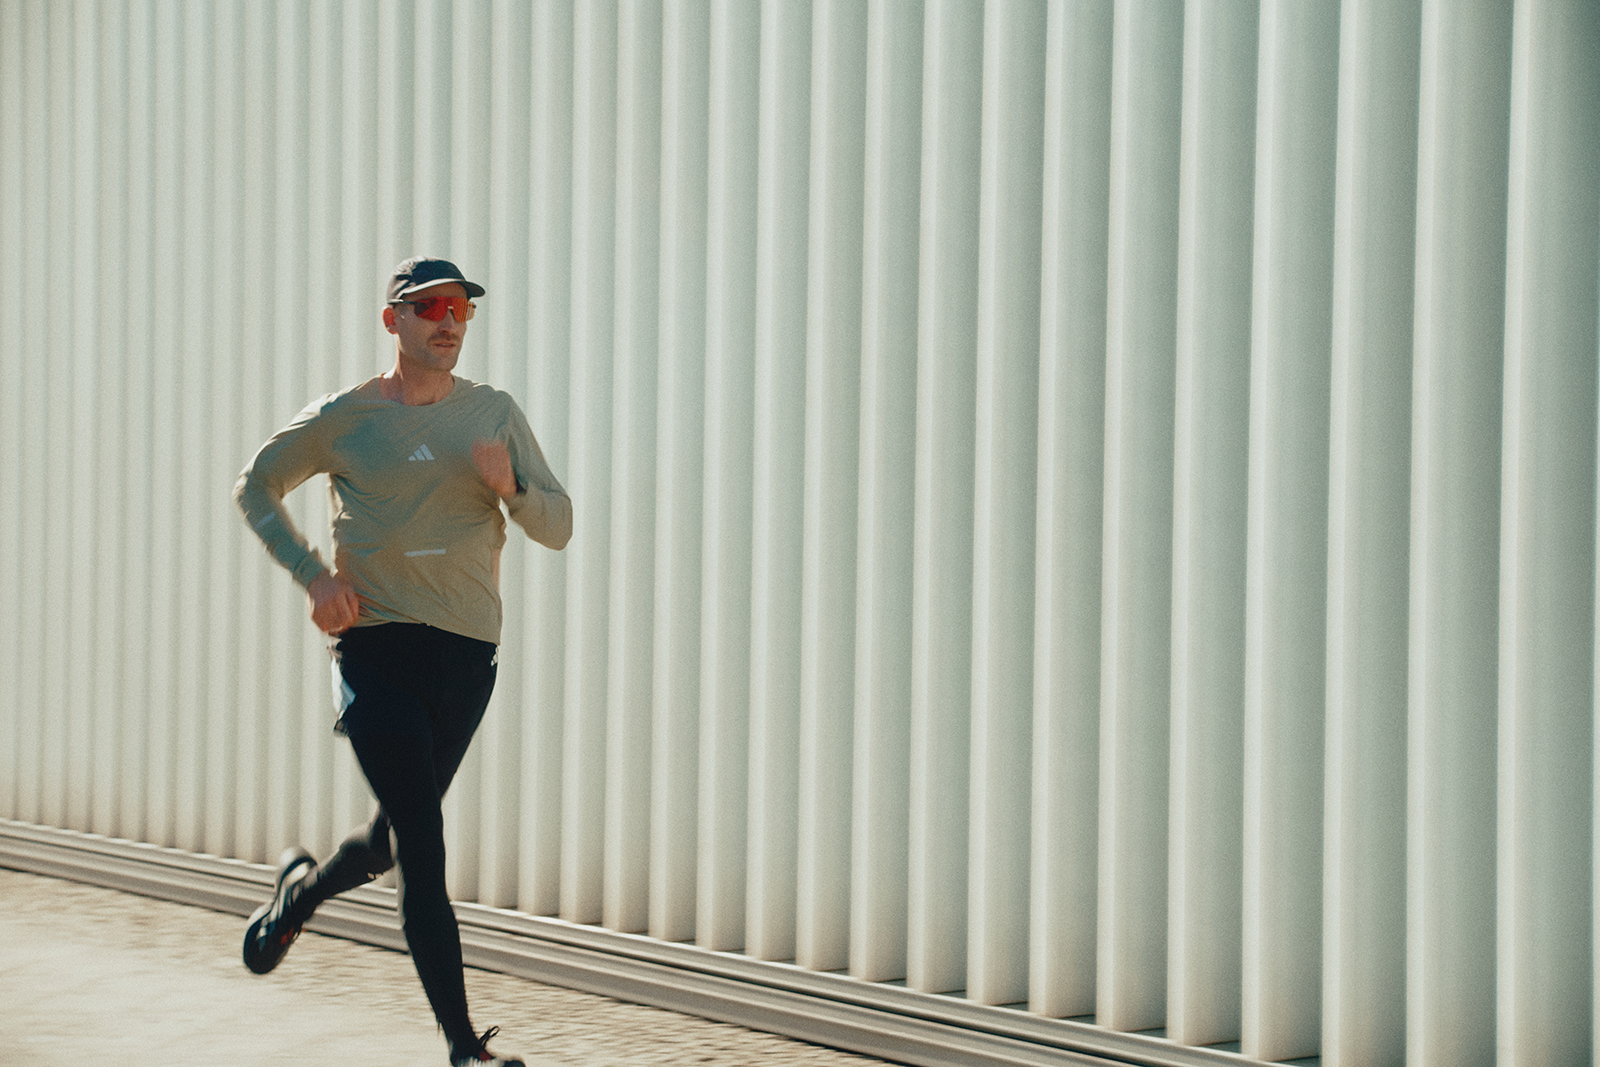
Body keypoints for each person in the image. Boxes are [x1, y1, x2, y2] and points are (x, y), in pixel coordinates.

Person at [233, 256, 572, 1067]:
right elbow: (255, 486)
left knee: (392, 838)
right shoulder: (343, 417)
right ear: (394, 322)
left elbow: (557, 524)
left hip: (467, 656)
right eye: (431, 309)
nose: (450, 322)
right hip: (375, 645)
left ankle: (300, 896)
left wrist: (514, 486)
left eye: (461, 310)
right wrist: (313, 573)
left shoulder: (493, 415)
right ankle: (464, 1046)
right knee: (423, 838)